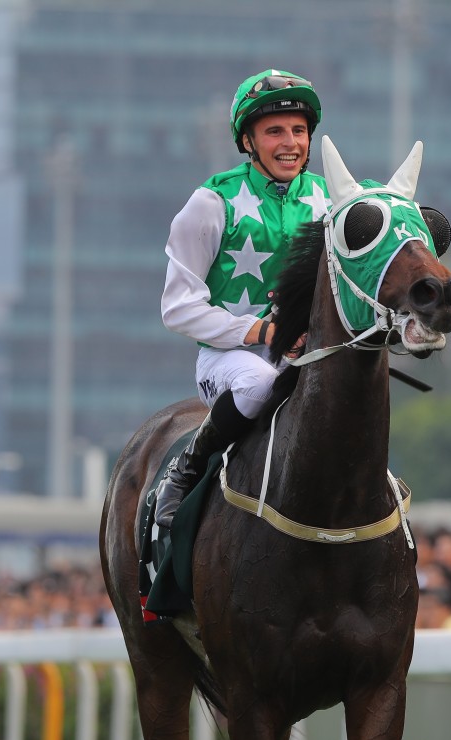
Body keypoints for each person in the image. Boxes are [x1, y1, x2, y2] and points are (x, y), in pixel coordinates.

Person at [154, 69, 328, 529]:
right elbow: (178, 307)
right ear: (248, 141)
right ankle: (186, 469)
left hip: (306, 356)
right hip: (229, 362)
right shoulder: (212, 203)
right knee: (258, 382)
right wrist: (263, 331)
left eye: (299, 130)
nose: (290, 142)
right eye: (274, 131)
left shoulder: (328, 202)